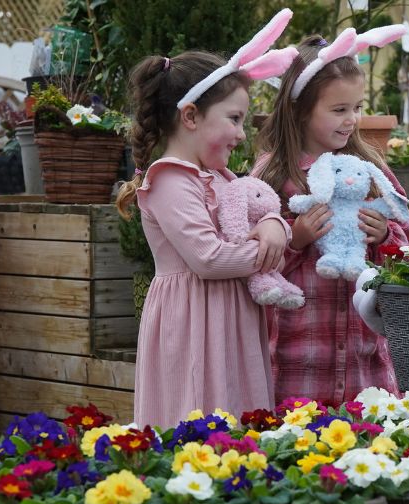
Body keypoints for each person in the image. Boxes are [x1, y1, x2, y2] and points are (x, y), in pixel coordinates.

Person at [115, 10, 300, 427]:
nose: (241, 133)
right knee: (198, 409)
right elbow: (208, 258)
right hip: (193, 319)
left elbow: (260, 208)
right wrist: (269, 251)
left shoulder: (220, 176)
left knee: (240, 410)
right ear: (191, 116)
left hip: (229, 317)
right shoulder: (169, 179)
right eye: (233, 118)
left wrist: (276, 225)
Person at [253, 27, 409, 406]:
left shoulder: (369, 168)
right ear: (298, 108)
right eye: (339, 110)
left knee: (367, 442)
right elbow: (251, 256)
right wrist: (295, 239)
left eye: (357, 108)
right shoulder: (275, 174)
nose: (351, 120)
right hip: (297, 354)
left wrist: (386, 236)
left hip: (364, 351)